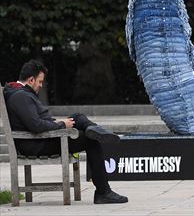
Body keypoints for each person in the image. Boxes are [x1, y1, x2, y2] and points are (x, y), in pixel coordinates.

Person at [3, 59, 128, 204]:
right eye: (40, 82)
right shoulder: (20, 96)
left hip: (42, 139)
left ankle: (95, 129)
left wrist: (61, 123)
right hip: (36, 144)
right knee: (91, 141)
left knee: (78, 117)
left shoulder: (21, 93)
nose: (41, 85)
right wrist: (62, 124)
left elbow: (35, 122)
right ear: (31, 80)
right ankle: (103, 192)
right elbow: (36, 125)